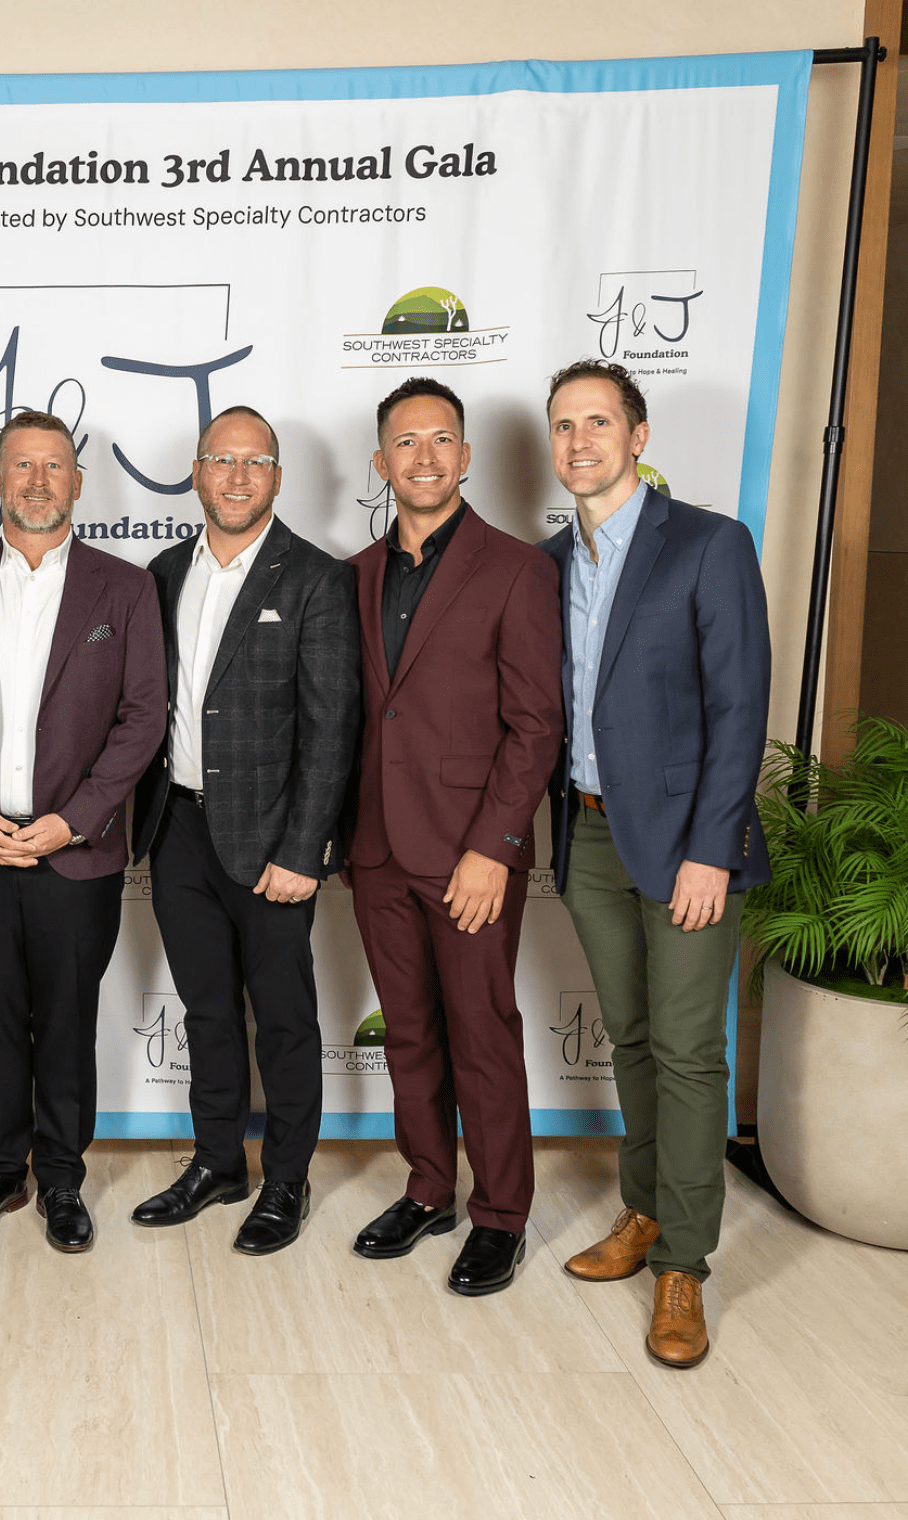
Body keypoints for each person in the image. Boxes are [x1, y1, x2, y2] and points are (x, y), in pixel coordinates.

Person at [540, 359, 769, 1367]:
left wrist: (712, 850)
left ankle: (683, 1265)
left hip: (685, 846)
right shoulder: (549, 561)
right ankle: (643, 1211)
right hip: (587, 834)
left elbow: (739, 707)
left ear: (636, 436)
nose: (578, 440)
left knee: (685, 1052)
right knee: (630, 1038)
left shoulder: (707, 544)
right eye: (563, 425)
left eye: (598, 421)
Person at [0, 410, 166, 1252]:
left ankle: (61, 1177)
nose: (38, 481)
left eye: (54, 466)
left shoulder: (124, 589)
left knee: (67, 1018)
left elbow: (143, 718)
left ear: (77, 482)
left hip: (74, 853)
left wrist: (74, 822)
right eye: (22, 466)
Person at [344, 376, 562, 1297]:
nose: (425, 456)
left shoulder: (516, 569)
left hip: (472, 852)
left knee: (482, 1033)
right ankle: (429, 1186)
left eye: (441, 440)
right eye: (406, 441)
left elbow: (536, 725)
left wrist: (493, 848)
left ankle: (501, 1215)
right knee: (410, 1034)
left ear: (466, 457)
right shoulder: (355, 574)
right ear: (381, 462)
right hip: (377, 849)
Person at [128, 406, 359, 1255]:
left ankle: (286, 1179)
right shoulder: (161, 572)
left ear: (277, 477)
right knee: (206, 1011)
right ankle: (219, 1162)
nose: (236, 477)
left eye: (254, 461)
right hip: (177, 827)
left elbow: (332, 728)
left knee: (285, 1018)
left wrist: (304, 851)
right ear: (196, 472)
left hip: (272, 841)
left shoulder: (315, 579)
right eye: (221, 460)